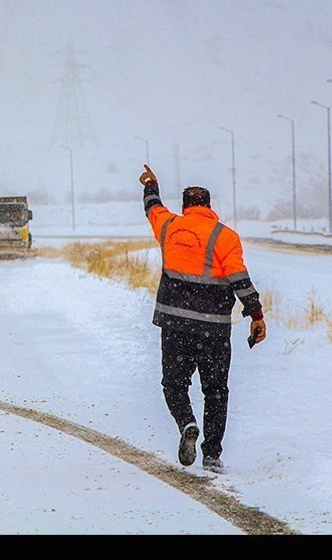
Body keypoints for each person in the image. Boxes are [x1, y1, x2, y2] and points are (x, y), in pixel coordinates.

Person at [140, 164, 266, 473]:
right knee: (216, 390)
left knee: (174, 384)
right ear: (209, 207)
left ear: (184, 208)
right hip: (213, 328)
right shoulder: (226, 237)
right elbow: (239, 278)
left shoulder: (169, 227)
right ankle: (211, 455)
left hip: (175, 324)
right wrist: (256, 314)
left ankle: (187, 423)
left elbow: (153, 209)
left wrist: (151, 185)